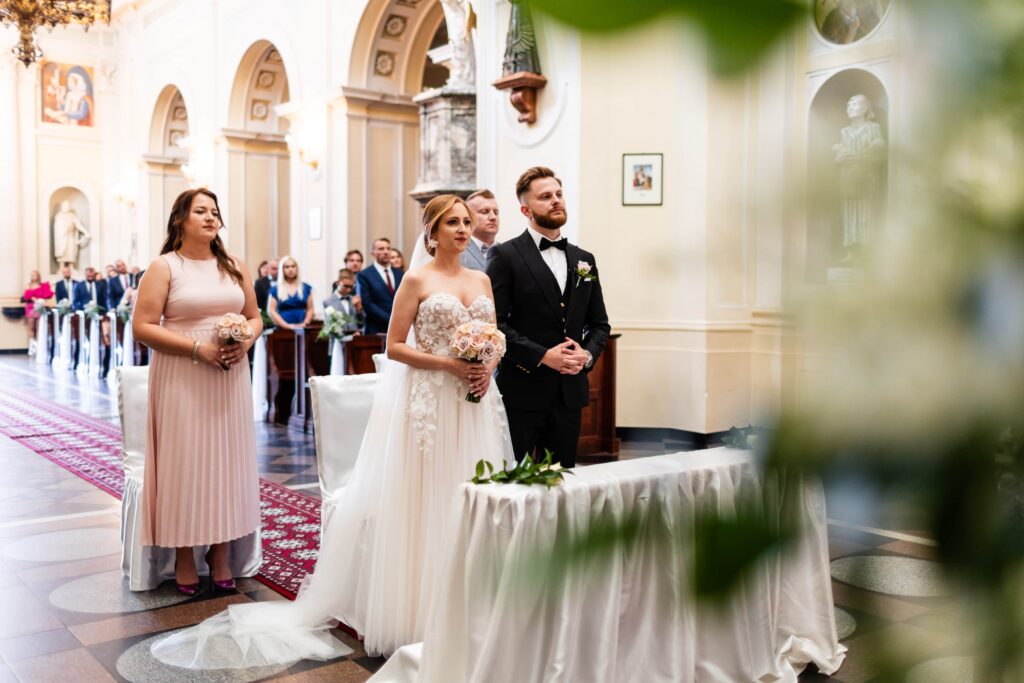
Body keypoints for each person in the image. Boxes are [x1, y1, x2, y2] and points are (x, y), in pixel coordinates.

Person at [150, 194, 514, 668]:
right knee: (430, 496)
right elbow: (395, 346)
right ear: (432, 231)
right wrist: (448, 364)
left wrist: (487, 366)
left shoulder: (481, 279)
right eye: (453, 222)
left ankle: (475, 600)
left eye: (467, 221)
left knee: (473, 492)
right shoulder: (417, 279)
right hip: (431, 402)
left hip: (474, 402)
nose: (464, 229)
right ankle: (422, 606)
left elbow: (492, 336)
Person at [132, 188, 262, 594]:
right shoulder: (165, 266)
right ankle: (184, 552)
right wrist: (197, 349)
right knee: (185, 462)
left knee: (227, 462)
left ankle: (220, 552)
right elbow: (143, 327)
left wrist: (245, 340)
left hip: (229, 377)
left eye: (215, 212)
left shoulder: (234, 265)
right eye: (200, 211)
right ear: (180, 220)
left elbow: (255, 316)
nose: (210, 218)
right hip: (182, 376)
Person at [487, 166, 611, 468]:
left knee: (561, 479)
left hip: (569, 393)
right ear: (526, 210)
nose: (556, 200)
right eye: (545, 197)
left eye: (558, 194)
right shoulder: (505, 256)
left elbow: (600, 324)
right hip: (522, 391)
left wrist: (586, 355)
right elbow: (495, 325)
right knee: (511, 479)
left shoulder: (584, 259)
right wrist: (543, 356)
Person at [834, 93, 886, 254]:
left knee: (866, 213)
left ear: (865, 108)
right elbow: (837, 155)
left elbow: (880, 151)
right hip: (848, 179)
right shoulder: (844, 132)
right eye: (848, 105)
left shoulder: (873, 128)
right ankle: (851, 251)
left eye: (854, 104)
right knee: (849, 214)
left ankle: (866, 251)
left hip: (866, 178)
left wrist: (866, 157)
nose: (849, 107)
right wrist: (839, 158)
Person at [356, 237, 404, 334]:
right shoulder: (364, 275)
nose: (385, 252)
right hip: (376, 329)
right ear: (373, 253)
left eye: (388, 248)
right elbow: (368, 304)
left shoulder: (400, 274)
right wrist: (390, 319)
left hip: (400, 328)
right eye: (381, 249)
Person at [267, 255, 313, 329]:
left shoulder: (306, 288)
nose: (290, 269)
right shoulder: (276, 289)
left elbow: (310, 309)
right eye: (287, 267)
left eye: (293, 266)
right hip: (283, 329)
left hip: (303, 327)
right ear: (282, 269)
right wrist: (286, 326)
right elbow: (272, 311)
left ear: (297, 268)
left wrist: (305, 323)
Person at [461, 188, 501, 271]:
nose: (493, 217)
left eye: (496, 212)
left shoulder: (508, 252)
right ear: (468, 217)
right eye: (484, 212)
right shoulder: (457, 252)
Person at [322, 268, 365, 334]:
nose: (348, 289)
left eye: (351, 286)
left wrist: (359, 310)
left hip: (355, 338)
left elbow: (361, 324)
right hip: (338, 339)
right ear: (338, 283)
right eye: (346, 286)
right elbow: (332, 327)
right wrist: (349, 336)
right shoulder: (328, 302)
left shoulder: (355, 300)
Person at [22, 271, 53, 356]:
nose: (33, 276)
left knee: (39, 327)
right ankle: (31, 347)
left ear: (38, 276)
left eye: (34, 275)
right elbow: (27, 296)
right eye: (32, 275)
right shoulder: (29, 285)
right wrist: (37, 300)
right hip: (31, 307)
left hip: (40, 307)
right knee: (31, 327)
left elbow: (47, 295)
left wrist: (42, 302)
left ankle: (39, 346)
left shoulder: (43, 286)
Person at [53, 201, 91, 268]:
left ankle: (71, 267)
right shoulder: (59, 216)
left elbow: (78, 225)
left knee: (71, 252)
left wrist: (86, 232)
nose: (66, 207)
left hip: (71, 237)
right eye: (65, 206)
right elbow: (58, 227)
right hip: (62, 238)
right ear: (62, 207)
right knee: (63, 253)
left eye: (68, 206)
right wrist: (66, 228)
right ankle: (61, 267)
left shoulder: (72, 216)